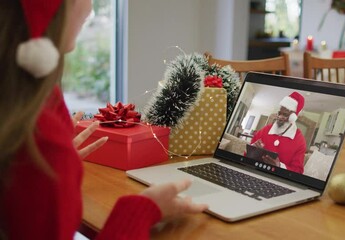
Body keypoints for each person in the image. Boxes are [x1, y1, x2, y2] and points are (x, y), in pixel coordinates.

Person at [0, 1, 207, 239]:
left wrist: (59, 171)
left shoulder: (26, 116)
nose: (90, 9)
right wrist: (143, 209)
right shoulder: (41, 143)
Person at [250, 92, 307, 174]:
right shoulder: (265, 130)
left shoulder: (300, 140)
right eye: (279, 113)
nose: (280, 117)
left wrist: (279, 166)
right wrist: (253, 149)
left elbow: (298, 171)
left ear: (293, 118)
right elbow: (246, 154)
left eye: (285, 114)